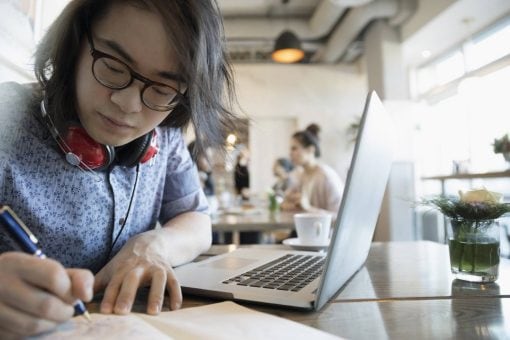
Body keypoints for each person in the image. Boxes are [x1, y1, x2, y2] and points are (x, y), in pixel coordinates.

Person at [0, 0, 237, 337]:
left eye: (162, 88)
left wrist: (153, 245)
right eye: (113, 66)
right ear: (77, 41)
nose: (128, 104)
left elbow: (197, 220)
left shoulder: (164, 136)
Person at [281, 124, 344, 215]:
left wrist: (308, 208)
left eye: (294, 148)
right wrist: (289, 201)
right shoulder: (303, 175)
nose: (290, 153)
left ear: (310, 150)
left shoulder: (326, 176)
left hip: (323, 229)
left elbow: (340, 217)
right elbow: (287, 201)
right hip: (307, 227)